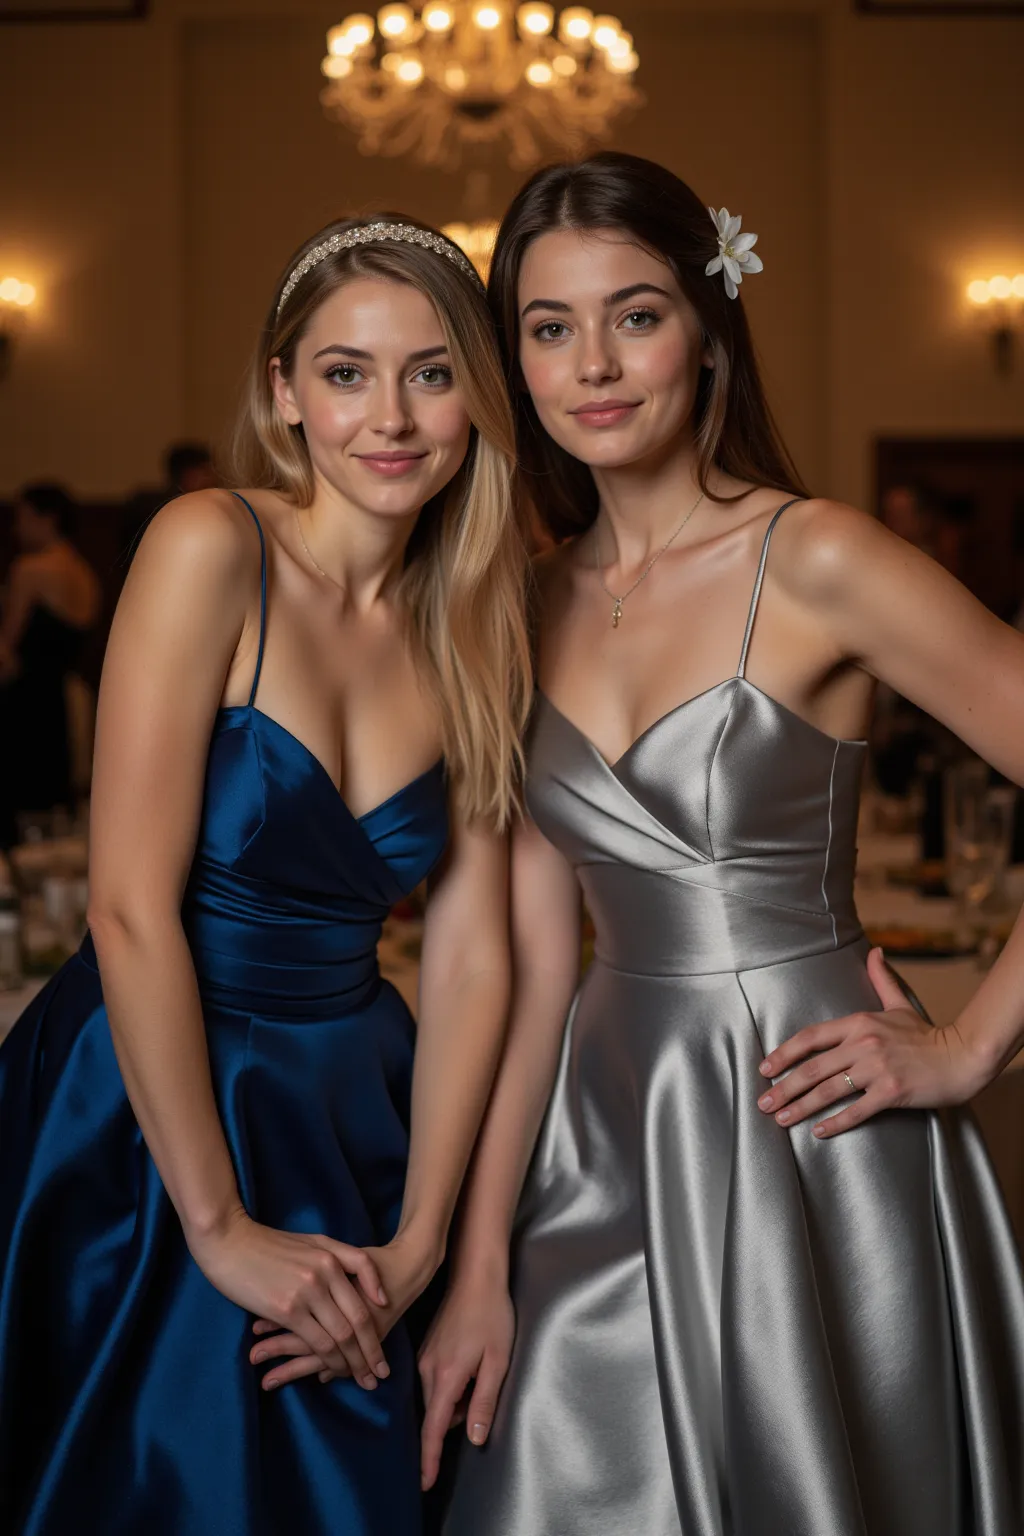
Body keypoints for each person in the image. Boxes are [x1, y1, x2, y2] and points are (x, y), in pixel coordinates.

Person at [420, 154, 1024, 1535]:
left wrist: (976, 1044)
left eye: (635, 315)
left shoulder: (817, 558)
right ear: (512, 359)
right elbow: (520, 972)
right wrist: (474, 1269)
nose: (595, 366)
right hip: (607, 1121)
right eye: (549, 326)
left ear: (707, 325)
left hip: (813, 1113)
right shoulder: (513, 605)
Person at [0, 216, 531, 1534]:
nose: (390, 417)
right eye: (346, 372)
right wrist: (220, 1222)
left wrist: (416, 1245)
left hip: (355, 1105)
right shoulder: (211, 544)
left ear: (480, 392)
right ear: (283, 393)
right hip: (144, 1099)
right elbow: (128, 906)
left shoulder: (485, 617)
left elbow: (476, 956)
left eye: (432, 370)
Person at [0, 483, 101, 846]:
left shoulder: (30, 568)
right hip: (63, 700)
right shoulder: (85, 573)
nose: (16, 528)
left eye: (22, 518)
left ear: (48, 519)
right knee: (52, 806)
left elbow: (6, 651)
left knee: (20, 807)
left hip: (22, 702)